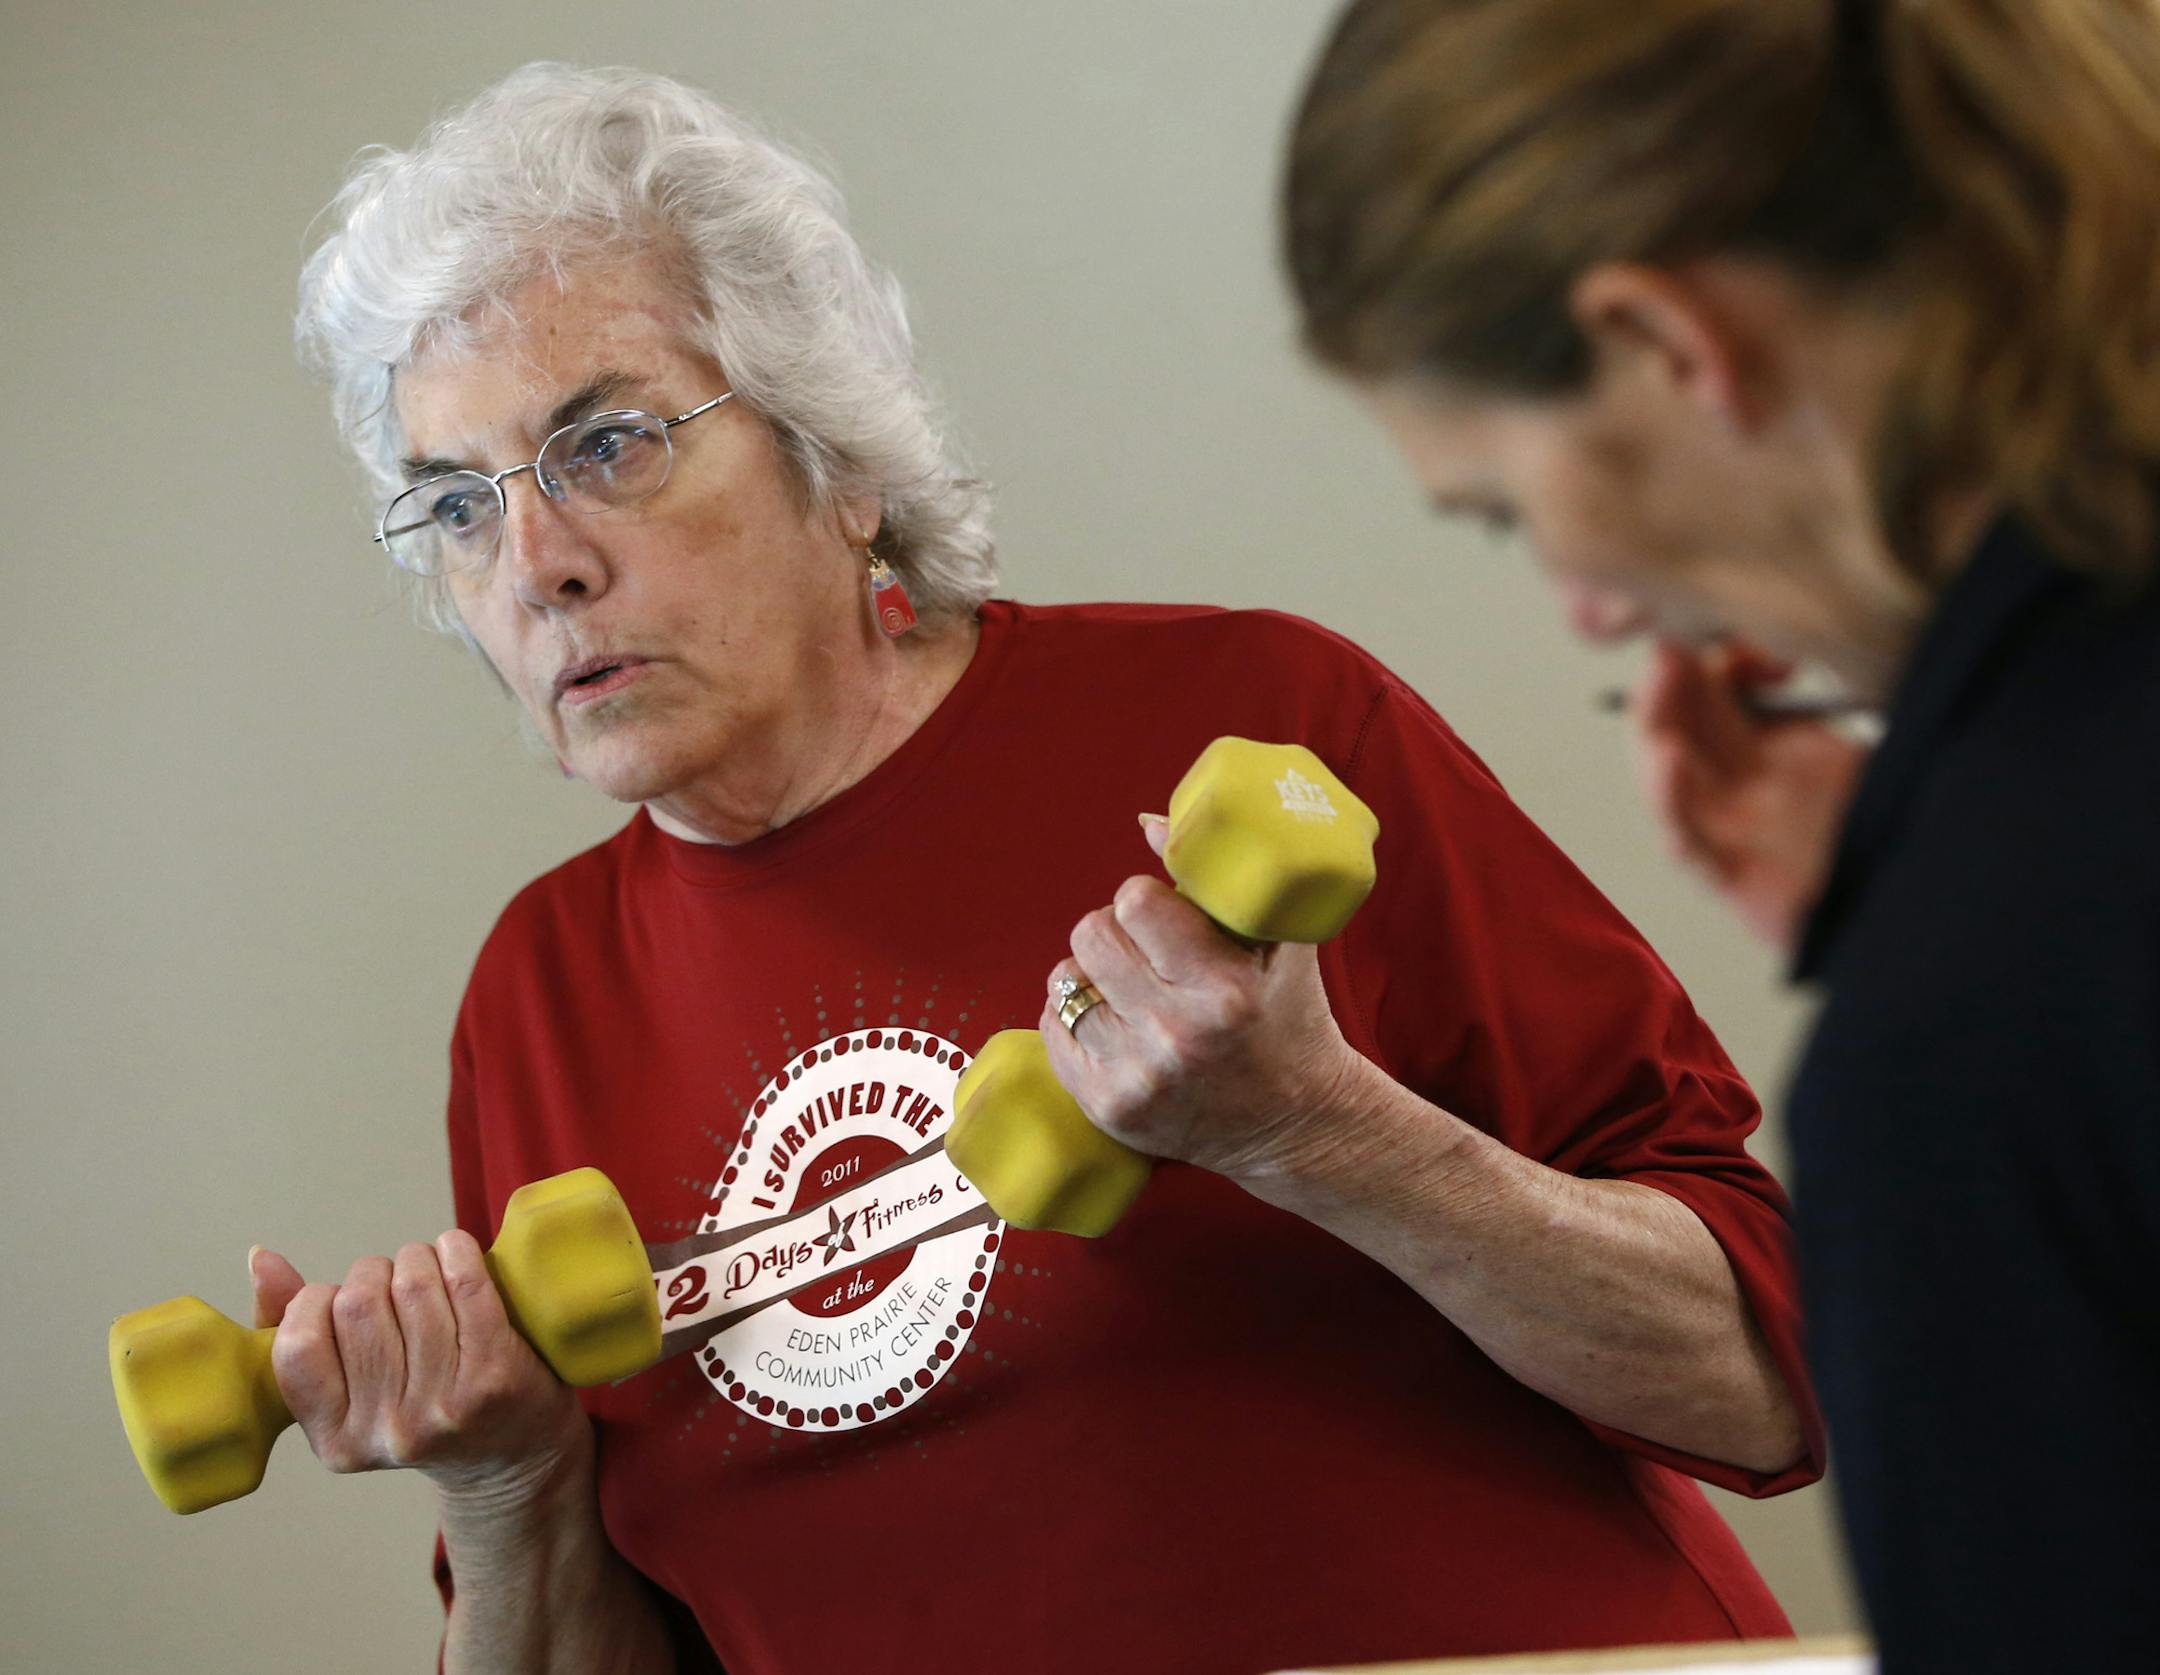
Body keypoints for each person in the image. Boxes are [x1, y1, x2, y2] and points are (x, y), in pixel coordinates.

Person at [264, 62, 1820, 1675]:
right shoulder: (539, 995)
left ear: (837, 462)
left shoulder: (1257, 722)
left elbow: (1771, 1371)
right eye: (455, 503)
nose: (538, 565)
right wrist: (509, 1485)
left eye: (610, 444)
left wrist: (1314, 1129)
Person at [1283, 2, 2160, 1670]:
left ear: (1669, 345)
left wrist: (1970, 969)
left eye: (1508, 510)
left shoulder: (1982, 1005)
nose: (1596, 614)